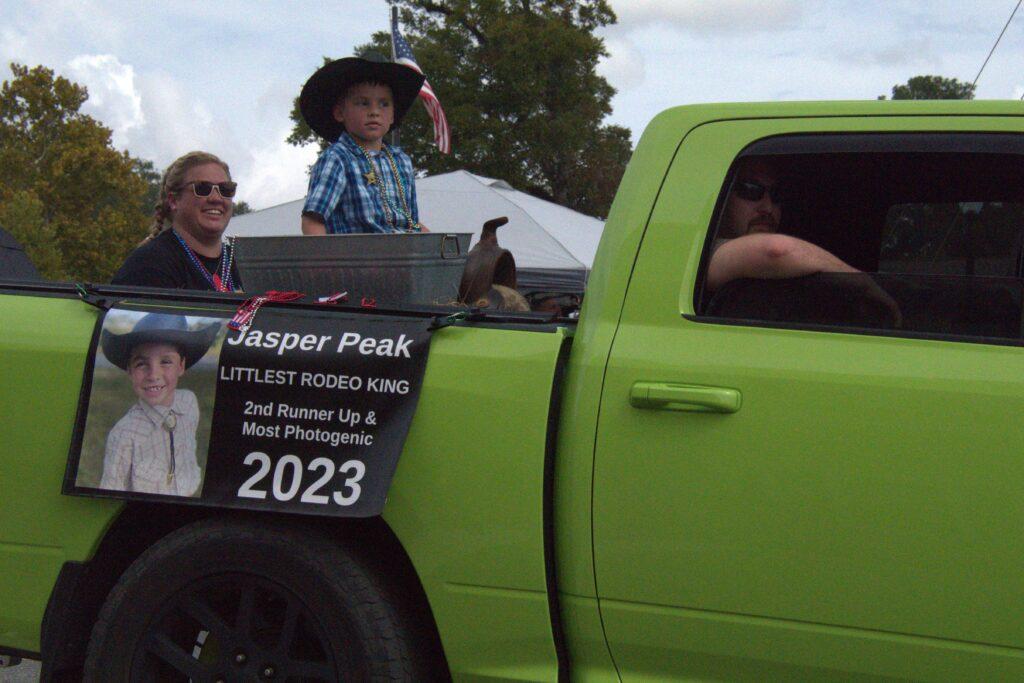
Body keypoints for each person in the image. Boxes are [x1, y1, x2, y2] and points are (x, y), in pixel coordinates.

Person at [707, 157, 901, 324]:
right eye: (751, 190)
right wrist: (868, 287)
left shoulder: (792, 271)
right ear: (722, 199)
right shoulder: (704, 253)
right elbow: (776, 251)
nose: (767, 207)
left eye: (777, 195)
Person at [299, 55, 429, 235]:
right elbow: (313, 220)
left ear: (392, 115)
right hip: (358, 257)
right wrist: (326, 262)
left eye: (384, 104)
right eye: (363, 103)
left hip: (402, 255)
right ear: (339, 112)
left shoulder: (401, 161)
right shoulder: (338, 158)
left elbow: (411, 223)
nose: (374, 112)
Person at [98, 313, 218, 496]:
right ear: (129, 370)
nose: (153, 374)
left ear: (181, 366)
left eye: (166, 361)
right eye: (141, 364)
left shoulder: (188, 402)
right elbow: (109, 490)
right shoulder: (124, 434)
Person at [111, 151, 242, 291]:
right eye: (203, 188)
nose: (216, 199)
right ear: (174, 201)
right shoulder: (149, 266)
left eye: (226, 189)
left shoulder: (244, 263)